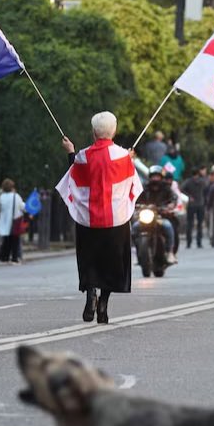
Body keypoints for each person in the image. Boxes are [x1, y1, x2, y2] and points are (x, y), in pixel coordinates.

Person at [56, 112, 142, 325]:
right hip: (116, 221)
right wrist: (129, 159)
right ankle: (103, 304)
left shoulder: (83, 156)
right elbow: (133, 185)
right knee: (112, 263)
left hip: (88, 221)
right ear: (115, 131)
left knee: (90, 260)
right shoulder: (124, 157)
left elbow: (74, 177)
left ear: (94, 132)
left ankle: (90, 294)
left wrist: (70, 152)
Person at [135, 165, 179, 264]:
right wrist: (134, 204)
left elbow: (173, 198)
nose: (155, 178)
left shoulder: (166, 188)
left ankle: (170, 252)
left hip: (161, 216)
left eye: (157, 176)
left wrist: (169, 206)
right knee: (134, 228)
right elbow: (136, 197)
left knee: (168, 227)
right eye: (153, 176)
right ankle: (139, 253)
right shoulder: (144, 188)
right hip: (146, 215)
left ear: (161, 177)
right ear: (150, 177)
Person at [0, 178, 26, 263]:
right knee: (15, 240)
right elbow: (22, 206)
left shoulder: (1, 197)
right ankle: (14, 257)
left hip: (4, 220)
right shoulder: (15, 196)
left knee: (6, 240)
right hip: (14, 220)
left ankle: (3, 257)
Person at [181, 168, 208, 248]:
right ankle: (199, 242)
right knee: (200, 224)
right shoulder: (202, 181)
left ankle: (189, 242)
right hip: (200, 204)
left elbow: (182, 189)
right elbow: (206, 188)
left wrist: (189, 196)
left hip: (191, 204)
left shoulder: (188, 181)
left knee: (190, 223)